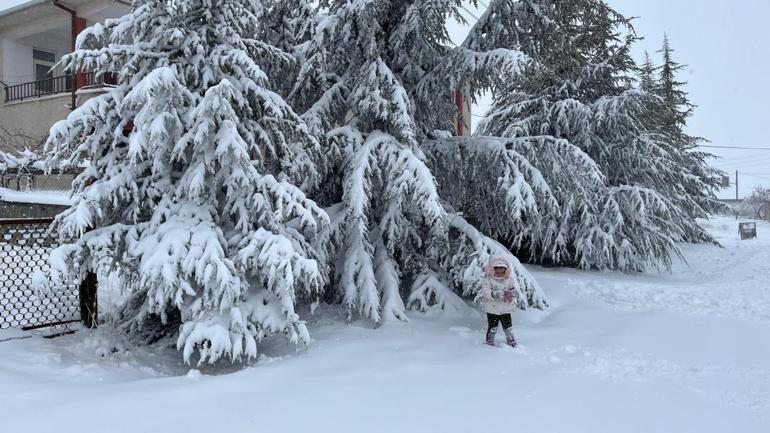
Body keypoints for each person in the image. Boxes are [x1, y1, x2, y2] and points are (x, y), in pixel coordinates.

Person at [479, 256, 518, 347]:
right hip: (492, 309)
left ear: (506, 270)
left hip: (505, 308)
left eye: (502, 270)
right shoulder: (489, 280)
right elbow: (486, 292)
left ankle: (510, 338)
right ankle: (490, 339)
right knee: (493, 326)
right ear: (492, 269)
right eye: (497, 270)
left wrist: (510, 294)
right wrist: (496, 294)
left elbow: (514, 290)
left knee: (508, 326)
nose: (499, 273)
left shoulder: (509, 279)